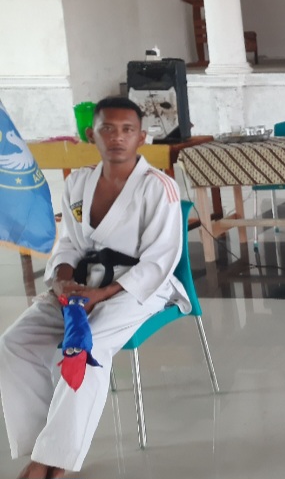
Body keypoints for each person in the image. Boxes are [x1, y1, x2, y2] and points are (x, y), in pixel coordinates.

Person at [0, 97, 188, 479]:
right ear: (91, 134)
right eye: (107, 129)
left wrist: (101, 294)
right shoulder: (79, 182)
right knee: (15, 342)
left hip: (138, 286)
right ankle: (42, 447)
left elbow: (159, 260)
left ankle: (53, 462)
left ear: (142, 137)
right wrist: (63, 280)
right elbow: (69, 242)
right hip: (82, 283)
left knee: (85, 348)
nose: (117, 137)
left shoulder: (159, 187)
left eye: (127, 130)